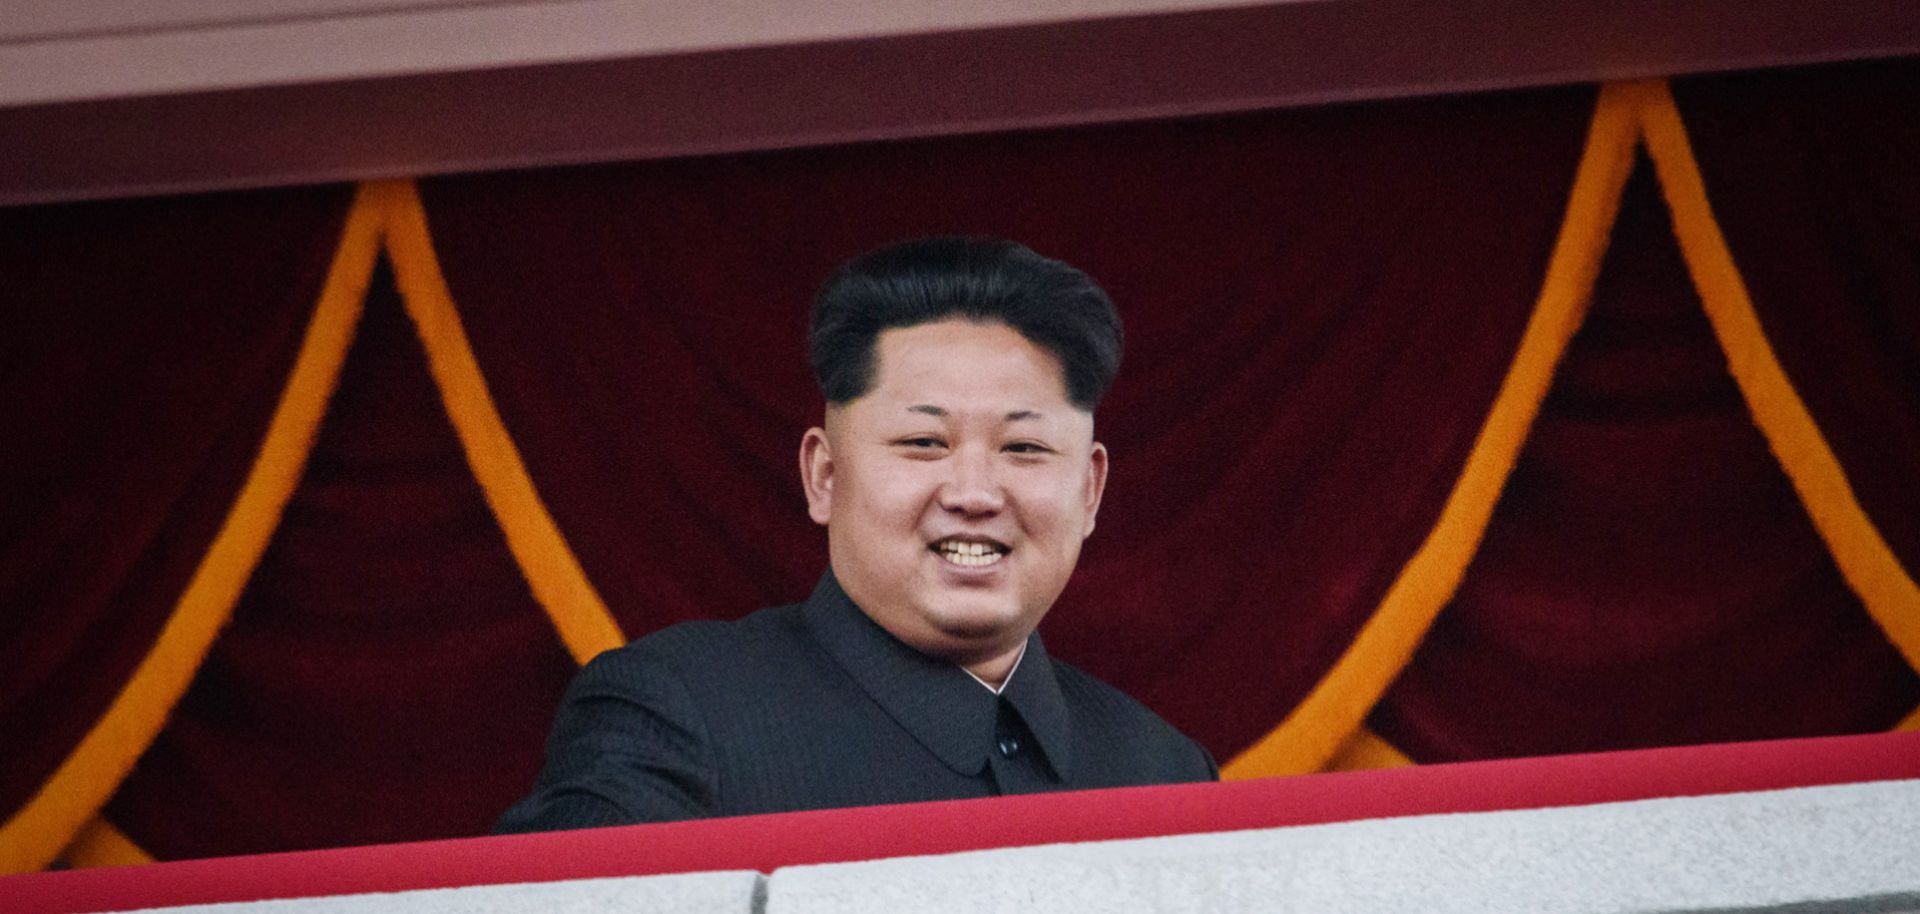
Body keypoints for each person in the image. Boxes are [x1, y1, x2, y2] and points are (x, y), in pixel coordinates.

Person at [496, 237, 1215, 833]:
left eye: (1023, 450)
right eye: (923, 441)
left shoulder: (1167, 773)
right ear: (823, 475)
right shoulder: (678, 714)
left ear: (1090, 490)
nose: (972, 494)